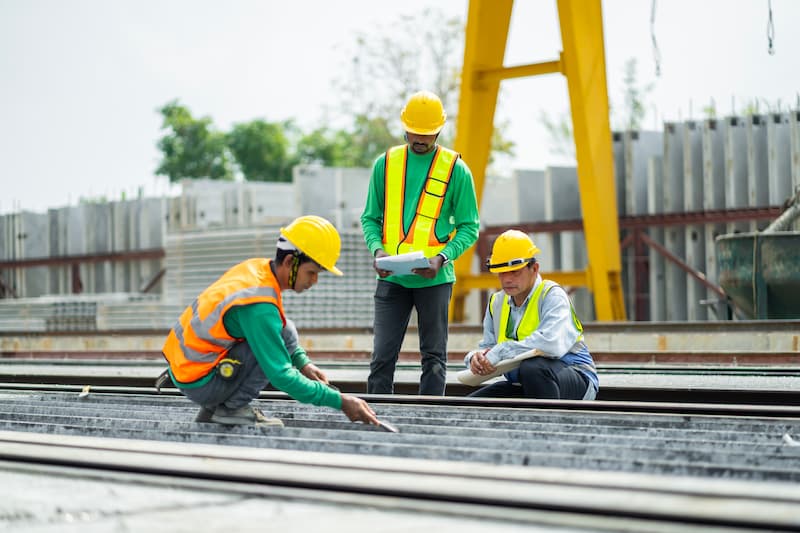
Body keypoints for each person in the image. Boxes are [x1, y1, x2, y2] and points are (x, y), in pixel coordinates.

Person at [160, 215, 380, 427]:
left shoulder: (258, 270)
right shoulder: (259, 306)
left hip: (189, 370)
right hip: (200, 381)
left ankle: (215, 408)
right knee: (268, 348)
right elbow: (282, 375)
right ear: (290, 261)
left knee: (284, 329)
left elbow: (280, 330)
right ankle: (231, 409)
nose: (314, 281)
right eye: (311, 272)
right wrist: (340, 401)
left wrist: (302, 363)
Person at [361, 90, 480, 395]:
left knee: (434, 359)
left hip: (435, 280)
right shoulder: (385, 165)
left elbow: (469, 227)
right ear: (404, 126)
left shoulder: (456, 170)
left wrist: (442, 257)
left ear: (439, 130)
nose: (421, 139)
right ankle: (375, 418)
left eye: (428, 134)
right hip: (391, 278)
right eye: (416, 132)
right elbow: (370, 218)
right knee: (382, 359)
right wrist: (378, 251)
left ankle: (430, 418)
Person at [465, 229, 598, 400]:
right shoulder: (496, 303)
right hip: (524, 382)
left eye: (515, 272)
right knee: (470, 406)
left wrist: (500, 351)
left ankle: (549, 425)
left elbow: (550, 345)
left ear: (534, 269)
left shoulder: (551, 295)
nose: (507, 279)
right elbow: (489, 347)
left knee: (533, 367)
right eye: (502, 272)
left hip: (574, 377)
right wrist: (477, 359)